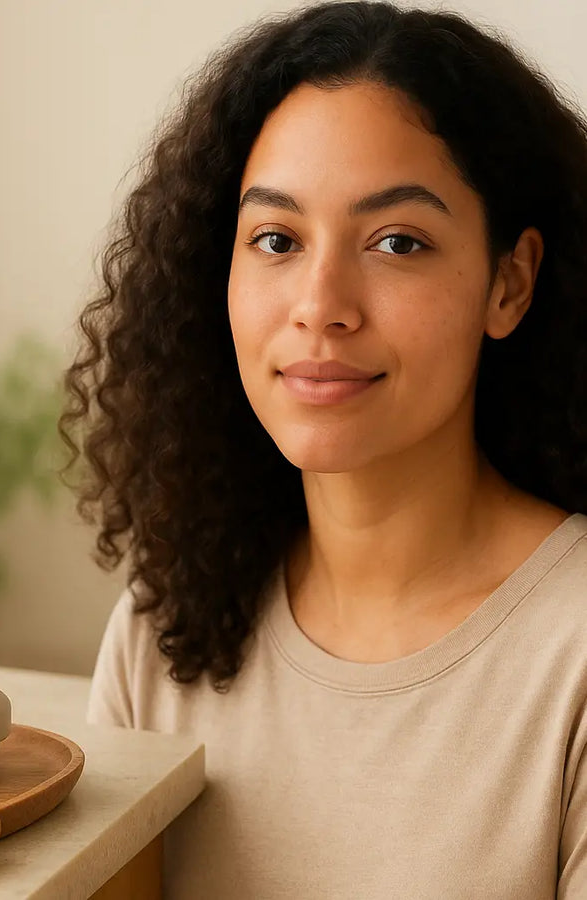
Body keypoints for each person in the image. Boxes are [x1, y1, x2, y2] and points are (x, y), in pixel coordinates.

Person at [60, 2, 587, 897]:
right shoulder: (163, 627)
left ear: (509, 282)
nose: (321, 303)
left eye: (397, 241)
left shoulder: (571, 651)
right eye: (276, 239)